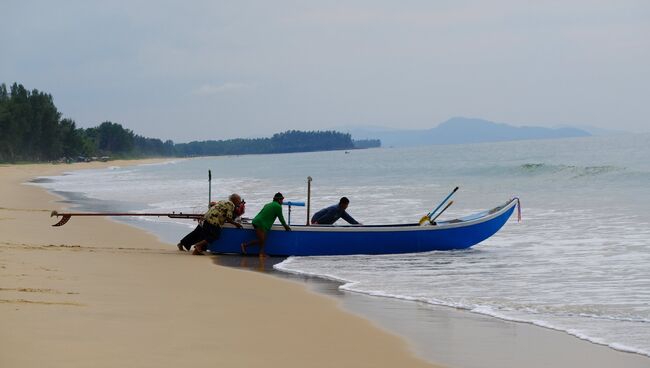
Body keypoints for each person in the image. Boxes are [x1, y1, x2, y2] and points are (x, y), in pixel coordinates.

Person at [177, 193, 244, 255]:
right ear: (235, 200)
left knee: (200, 234)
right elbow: (229, 219)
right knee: (215, 235)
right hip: (213, 220)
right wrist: (236, 224)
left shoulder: (223, 201)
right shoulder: (231, 205)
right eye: (239, 200)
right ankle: (198, 245)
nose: (239, 202)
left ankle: (195, 249)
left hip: (206, 217)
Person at [241, 192, 291, 257]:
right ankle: (244, 245)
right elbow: (281, 218)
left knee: (263, 239)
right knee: (261, 240)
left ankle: (261, 253)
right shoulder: (278, 206)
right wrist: (286, 226)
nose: (282, 201)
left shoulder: (268, 204)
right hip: (260, 223)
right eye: (282, 200)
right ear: (279, 200)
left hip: (258, 221)